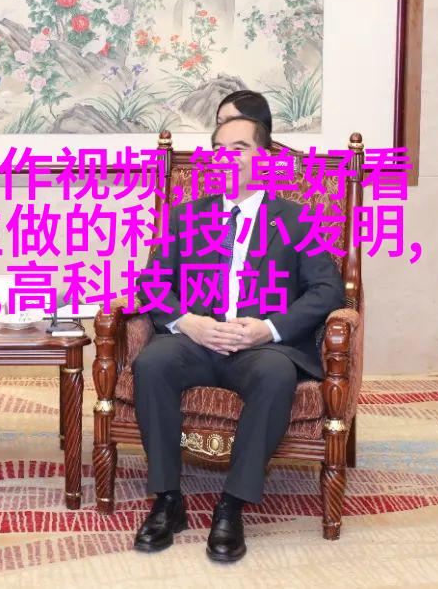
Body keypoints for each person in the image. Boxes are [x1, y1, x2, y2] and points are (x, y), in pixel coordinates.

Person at [131, 116, 343, 562]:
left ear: (263, 158)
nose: (226, 158)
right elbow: (151, 283)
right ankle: (168, 499)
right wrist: (186, 321)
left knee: (275, 374)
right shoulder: (186, 216)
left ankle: (232, 504)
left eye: (239, 147)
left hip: (260, 346)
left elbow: (328, 289)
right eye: (219, 148)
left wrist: (269, 328)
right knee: (151, 363)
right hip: (196, 340)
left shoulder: (294, 219)